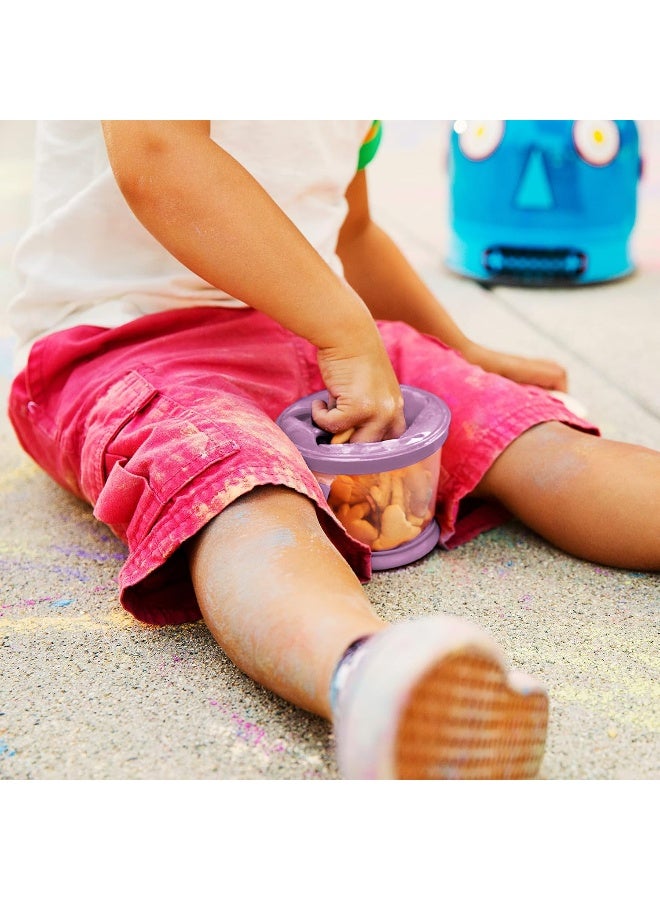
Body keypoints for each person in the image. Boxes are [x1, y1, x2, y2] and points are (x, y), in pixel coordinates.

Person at [7, 120, 660, 780]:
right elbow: (158, 153)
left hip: (315, 331)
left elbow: (351, 231)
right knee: (245, 501)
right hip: (130, 345)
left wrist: (460, 355)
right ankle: (374, 679)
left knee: (530, 437)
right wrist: (345, 333)